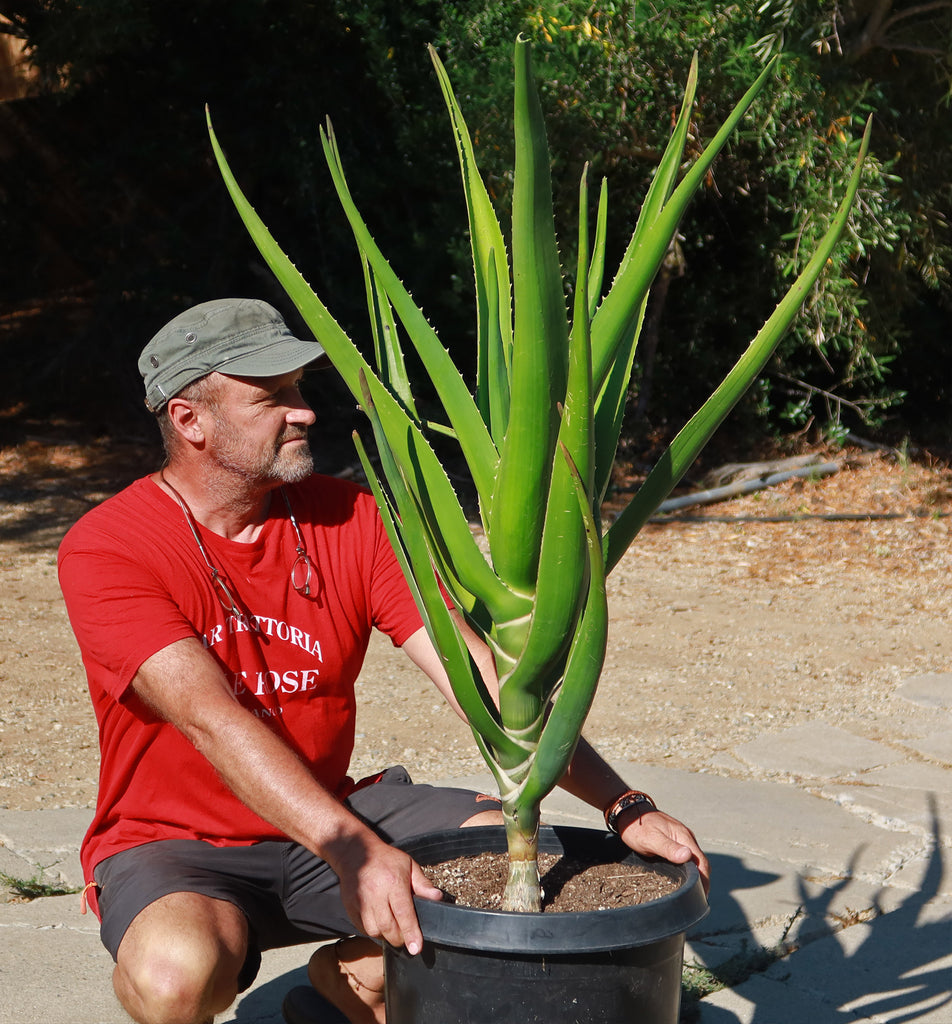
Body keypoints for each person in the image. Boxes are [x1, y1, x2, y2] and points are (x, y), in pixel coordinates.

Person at [58, 297, 709, 1024]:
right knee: (175, 976)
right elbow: (211, 719)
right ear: (189, 420)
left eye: (301, 389)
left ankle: (353, 982)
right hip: (179, 847)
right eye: (272, 397)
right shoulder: (108, 548)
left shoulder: (353, 519)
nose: (303, 411)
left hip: (330, 806)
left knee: (517, 855)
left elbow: (482, 684)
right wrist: (353, 852)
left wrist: (621, 804)